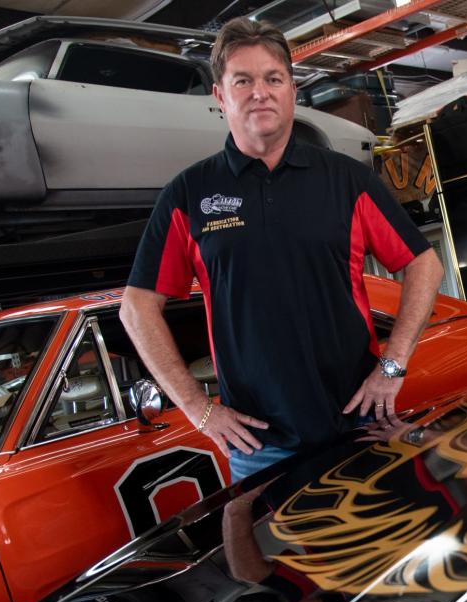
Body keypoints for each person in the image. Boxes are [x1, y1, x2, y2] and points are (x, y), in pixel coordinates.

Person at [120, 17, 443, 481]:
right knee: (270, 556)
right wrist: (197, 408)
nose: (260, 92)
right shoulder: (188, 195)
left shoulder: (346, 179)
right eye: (243, 81)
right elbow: (137, 308)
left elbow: (424, 264)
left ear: (292, 89)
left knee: (376, 550)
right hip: (260, 445)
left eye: (273, 79)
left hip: (363, 424)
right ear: (220, 97)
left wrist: (392, 366)